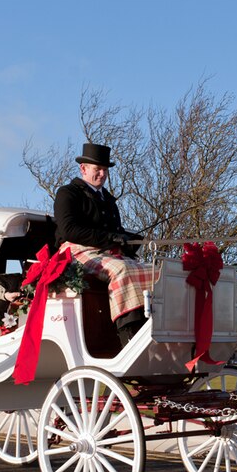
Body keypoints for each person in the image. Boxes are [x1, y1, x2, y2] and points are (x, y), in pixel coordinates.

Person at [53, 142, 153, 344]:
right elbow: (68, 231)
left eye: (105, 170)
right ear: (84, 169)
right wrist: (110, 238)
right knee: (121, 269)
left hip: (106, 252)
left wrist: (129, 240)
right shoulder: (68, 193)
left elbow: (114, 231)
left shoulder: (108, 200)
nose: (102, 174)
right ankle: (128, 336)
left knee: (151, 270)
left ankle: (152, 325)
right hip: (76, 252)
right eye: (97, 169)